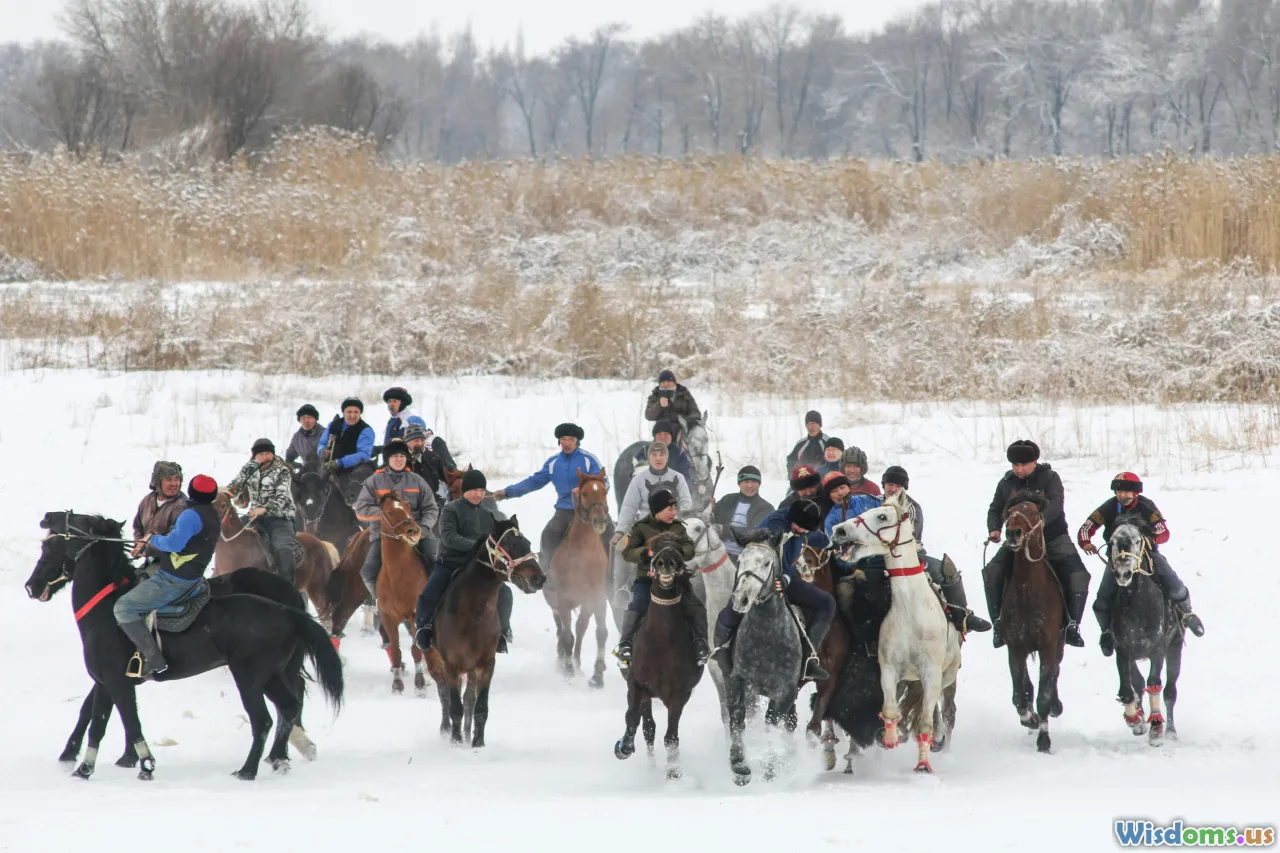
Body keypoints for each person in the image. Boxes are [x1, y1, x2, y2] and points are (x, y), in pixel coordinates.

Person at [981, 440, 1091, 648]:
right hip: (1019, 539)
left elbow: (1057, 504)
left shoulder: (1050, 478)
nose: (1018, 469)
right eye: (1015, 465)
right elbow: (995, 508)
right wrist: (994, 528)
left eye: (1023, 465)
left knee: (1078, 575)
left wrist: (1042, 521)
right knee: (992, 571)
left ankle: (1072, 625)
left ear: (1035, 462)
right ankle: (998, 623)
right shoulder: (1006, 483)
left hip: (1053, 536)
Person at [1079, 472, 1204, 652]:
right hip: (1117, 560)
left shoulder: (1147, 506)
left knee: (1173, 582)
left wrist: (1150, 537)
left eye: (1127, 491)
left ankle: (1187, 613)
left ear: (1136, 493)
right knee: (1102, 599)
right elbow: (1087, 527)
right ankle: (1106, 631)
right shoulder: (1108, 507)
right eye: (1118, 491)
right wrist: (1086, 542)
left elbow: (1163, 532)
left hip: (1147, 557)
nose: (1122, 495)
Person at [712, 499, 835, 682]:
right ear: (791, 519)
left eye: (805, 529)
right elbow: (770, 556)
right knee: (736, 606)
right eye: (800, 527)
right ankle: (722, 648)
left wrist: (832, 544)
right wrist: (782, 577)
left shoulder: (801, 527)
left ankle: (808, 658)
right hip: (759, 577)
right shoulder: (774, 527)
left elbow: (812, 535)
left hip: (785, 579)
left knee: (827, 603)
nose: (801, 531)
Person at [114, 474, 221, 680]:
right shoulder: (211, 514)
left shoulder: (190, 515)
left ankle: (153, 659)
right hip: (192, 576)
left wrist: (152, 539)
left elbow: (175, 544)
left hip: (174, 580)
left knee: (123, 607)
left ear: (191, 490)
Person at [877, 465, 991, 634]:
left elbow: (911, 539)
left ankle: (962, 616)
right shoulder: (873, 503)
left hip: (908, 555)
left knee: (946, 571)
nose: (892, 489)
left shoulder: (911, 508)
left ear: (904, 488)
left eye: (897, 486)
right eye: (889, 484)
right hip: (877, 556)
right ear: (883, 485)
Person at [414, 469, 515, 653]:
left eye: (482, 491)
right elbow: (449, 537)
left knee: (505, 592)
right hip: (451, 562)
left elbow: (495, 541)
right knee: (430, 591)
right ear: (465, 490)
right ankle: (424, 627)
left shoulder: (487, 514)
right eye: (474, 490)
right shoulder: (450, 509)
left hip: (479, 566)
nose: (478, 494)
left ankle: (501, 631)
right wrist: (478, 546)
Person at [493, 423, 613, 576]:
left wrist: (583, 490)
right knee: (548, 534)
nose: (566, 443)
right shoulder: (553, 463)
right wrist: (507, 492)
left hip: (592, 509)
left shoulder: (588, 460)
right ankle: (547, 574)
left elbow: (604, 483)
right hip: (565, 510)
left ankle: (613, 574)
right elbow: (534, 481)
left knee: (611, 533)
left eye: (571, 439)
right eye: (562, 439)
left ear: (577, 441)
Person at [613, 489, 708, 668]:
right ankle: (625, 644)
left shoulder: (679, 527)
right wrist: (646, 553)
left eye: (675, 508)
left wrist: (679, 551)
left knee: (695, 606)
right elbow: (627, 553)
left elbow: (689, 548)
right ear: (657, 510)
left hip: (677, 580)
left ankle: (700, 643)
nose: (674, 512)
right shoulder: (640, 528)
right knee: (638, 605)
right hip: (647, 580)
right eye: (670, 508)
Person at [354, 438, 440, 605]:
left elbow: (431, 508)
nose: (399, 459)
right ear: (388, 459)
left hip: (416, 533)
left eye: (402, 456)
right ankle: (381, 601)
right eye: (395, 456)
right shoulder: (374, 481)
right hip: (384, 536)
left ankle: (435, 600)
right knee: (368, 571)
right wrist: (387, 515)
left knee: (435, 562)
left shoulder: (417, 481)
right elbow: (361, 509)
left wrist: (424, 527)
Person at [227, 439, 300, 583]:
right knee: (233, 535)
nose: (265, 457)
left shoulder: (282, 470)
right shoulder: (249, 469)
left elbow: (282, 496)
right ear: (255, 456)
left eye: (268, 453)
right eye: (261, 454)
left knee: (282, 548)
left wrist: (265, 509)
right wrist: (221, 495)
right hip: (255, 518)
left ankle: (286, 586)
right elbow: (234, 486)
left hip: (280, 518)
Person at [615, 441, 692, 541]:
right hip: (646, 532)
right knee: (624, 550)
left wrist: (675, 519)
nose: (658, 458)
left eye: (662, 455)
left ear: (666, 458)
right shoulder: (638, 480)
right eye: (654, 455)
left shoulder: (678, 478)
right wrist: (620, 531)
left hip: (673, 530)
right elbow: (629, 507)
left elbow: (686, 503)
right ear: (649, 458)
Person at [130, 461, 188, 573]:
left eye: (177, 479)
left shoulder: (182, 505)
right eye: (169, 479)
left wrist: (148, 549)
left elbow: (174, 538)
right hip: (151, 560)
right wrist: (139, 544)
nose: (174, 483)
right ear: (158, 482)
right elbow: (137, 526)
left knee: (143, 584)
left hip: (173, 563)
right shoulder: (147, 501)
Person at [712, 466, 774, 560]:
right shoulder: (727, 500)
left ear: (759, 484)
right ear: (739, 483)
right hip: (719, 552)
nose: (750, 485)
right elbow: (710, 521)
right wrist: (709, 508)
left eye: (754, 482)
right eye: (746, 481)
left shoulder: (766, 508)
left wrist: (723, 529)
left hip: (747, 557)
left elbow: (755, 533)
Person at [317, 397, 376, 495]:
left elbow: (364, 454)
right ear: (343, 412)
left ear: (360, 413)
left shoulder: (365, 430)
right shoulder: (333, 425)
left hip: (351, 472)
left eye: (356, 412)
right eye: (349, 412)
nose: (352, 415)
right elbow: (321, 443)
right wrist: (322, 451)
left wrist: (339, 462)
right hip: (328, 468)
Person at [644, 369, 702, 439]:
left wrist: (684, 422)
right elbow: (648, 416)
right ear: (659, 384)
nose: (666, 384)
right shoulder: (655, 395)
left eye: (668, 381)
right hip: (663, 434)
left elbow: (696, 413)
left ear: (674, 382)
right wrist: (659, 405)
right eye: (663, 382)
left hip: (683, 432)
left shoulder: (684, 394)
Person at [822, 471, 880, 536]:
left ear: (849, 487)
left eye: (842, 487)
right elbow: (835, 544)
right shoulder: (831, 520)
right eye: (834, 491)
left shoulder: (868, 500)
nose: (840, 493)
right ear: (829, 496)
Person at [404, 423, 450, 503]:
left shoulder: (433, 457)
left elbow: (448, 476)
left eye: (422, 440)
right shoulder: (401, 461)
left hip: (433, 501)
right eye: (416, 440)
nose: (420, 444)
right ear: (407, 442)